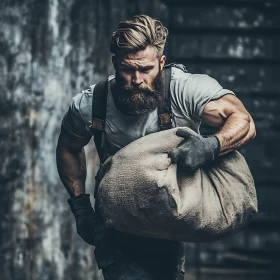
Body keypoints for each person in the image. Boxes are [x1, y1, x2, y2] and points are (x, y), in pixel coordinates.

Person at [56, 15, 256, 280]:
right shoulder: (91, 104)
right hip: (117, 225)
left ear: (161, 62)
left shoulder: (185, 89)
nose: (137, 79)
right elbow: (68, 147)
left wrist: (212, 146)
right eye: (127, 69)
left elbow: (243, 120)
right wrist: (80, 206)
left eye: (146, 69)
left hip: (168, 218)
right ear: (115, 62)